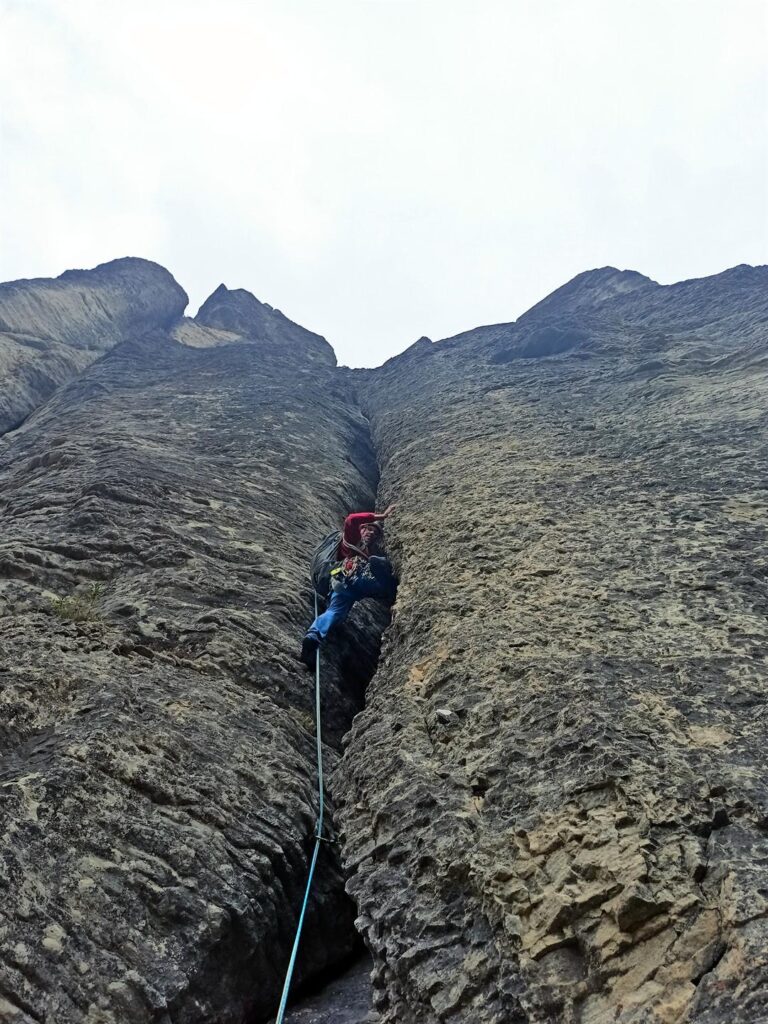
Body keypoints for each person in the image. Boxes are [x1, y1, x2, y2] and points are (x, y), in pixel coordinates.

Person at [300, 505, 397, 667]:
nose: (371, 533)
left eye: (375, 533)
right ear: (362, 529)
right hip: (353, 578)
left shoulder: (366, 548)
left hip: (342, 587)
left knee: (334, 612)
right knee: (382, 584)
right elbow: (352, 520)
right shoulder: (352, 539)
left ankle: (313, 635)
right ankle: (388, 583)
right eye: (368, 529)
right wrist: (382, 517)